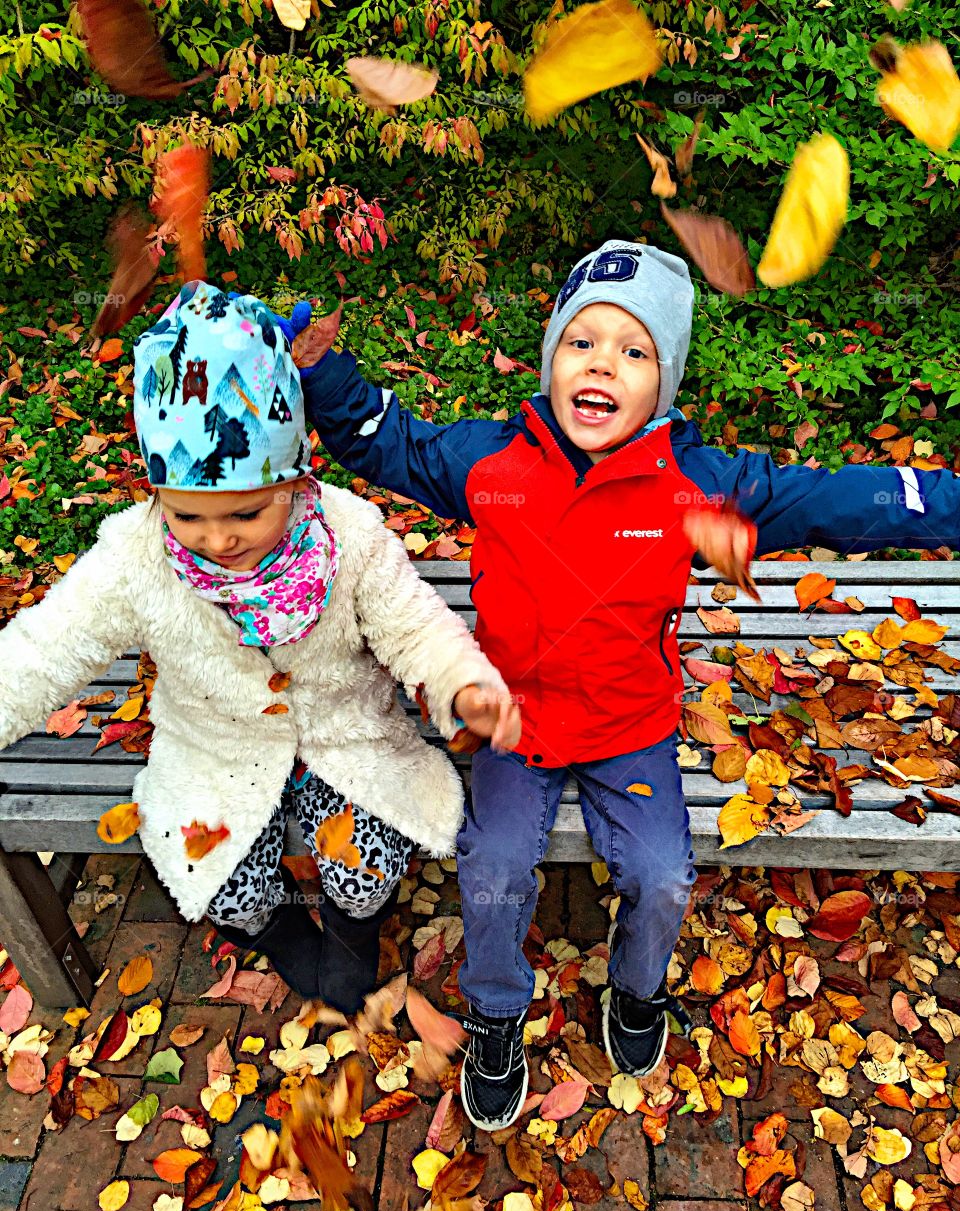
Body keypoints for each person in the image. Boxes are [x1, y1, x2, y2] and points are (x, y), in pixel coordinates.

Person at [285, 238, 960, 1129]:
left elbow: (834, 498)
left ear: (663, 381)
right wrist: (323, 372)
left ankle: (636, 993)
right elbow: (393, 446)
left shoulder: (697, 483)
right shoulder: (493, 465)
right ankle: (496, 1013)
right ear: (553, 359)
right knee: (491, 867)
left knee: (662, 873)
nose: (603, 362)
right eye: (582, 342)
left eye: (633, 351)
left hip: (626, 720)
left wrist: (943, 502)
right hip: (512, 716)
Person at [0, 281, 519, 1014]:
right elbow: (48, 647)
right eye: (188, 515)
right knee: (226, 884)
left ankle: (350, 933)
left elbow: (417, 627)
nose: (218, 539)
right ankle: (282, 936)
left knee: (364, 864)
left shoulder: (349, 536)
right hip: (217, 749)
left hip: (348, 735)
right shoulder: (135, 557)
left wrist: (461, 686)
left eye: (245, 511)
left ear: (295, 473)